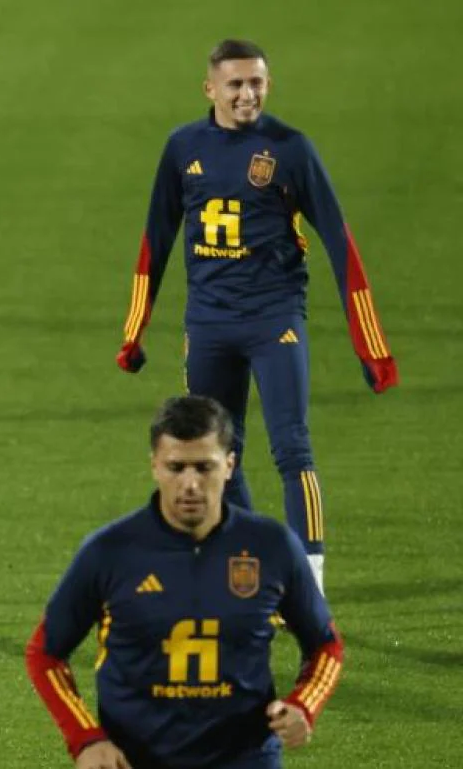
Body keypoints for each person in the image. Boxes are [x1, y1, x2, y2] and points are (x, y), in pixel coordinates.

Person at [114, 39, 399, 592]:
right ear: (210, 89)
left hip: (276, 320)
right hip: (210, 325)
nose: (248, 94)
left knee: (293, 446)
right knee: (221, 454)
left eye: (257, 83)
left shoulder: (291, 150)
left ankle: (310, 581)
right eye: (236, 84)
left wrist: (372, 346)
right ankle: (254, 560)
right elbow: (155, 242)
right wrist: (135, 331)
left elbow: (341, 245)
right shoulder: (182, 149)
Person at [25, 395, 344, 769]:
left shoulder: (271, 547)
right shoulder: (109, 552)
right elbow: (45, 654)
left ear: (229, 466)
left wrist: (304, 705)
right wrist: (85, 739)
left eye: (204, 467)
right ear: (154, 467)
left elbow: (326, 645)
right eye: (176, 467)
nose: (190, 484)